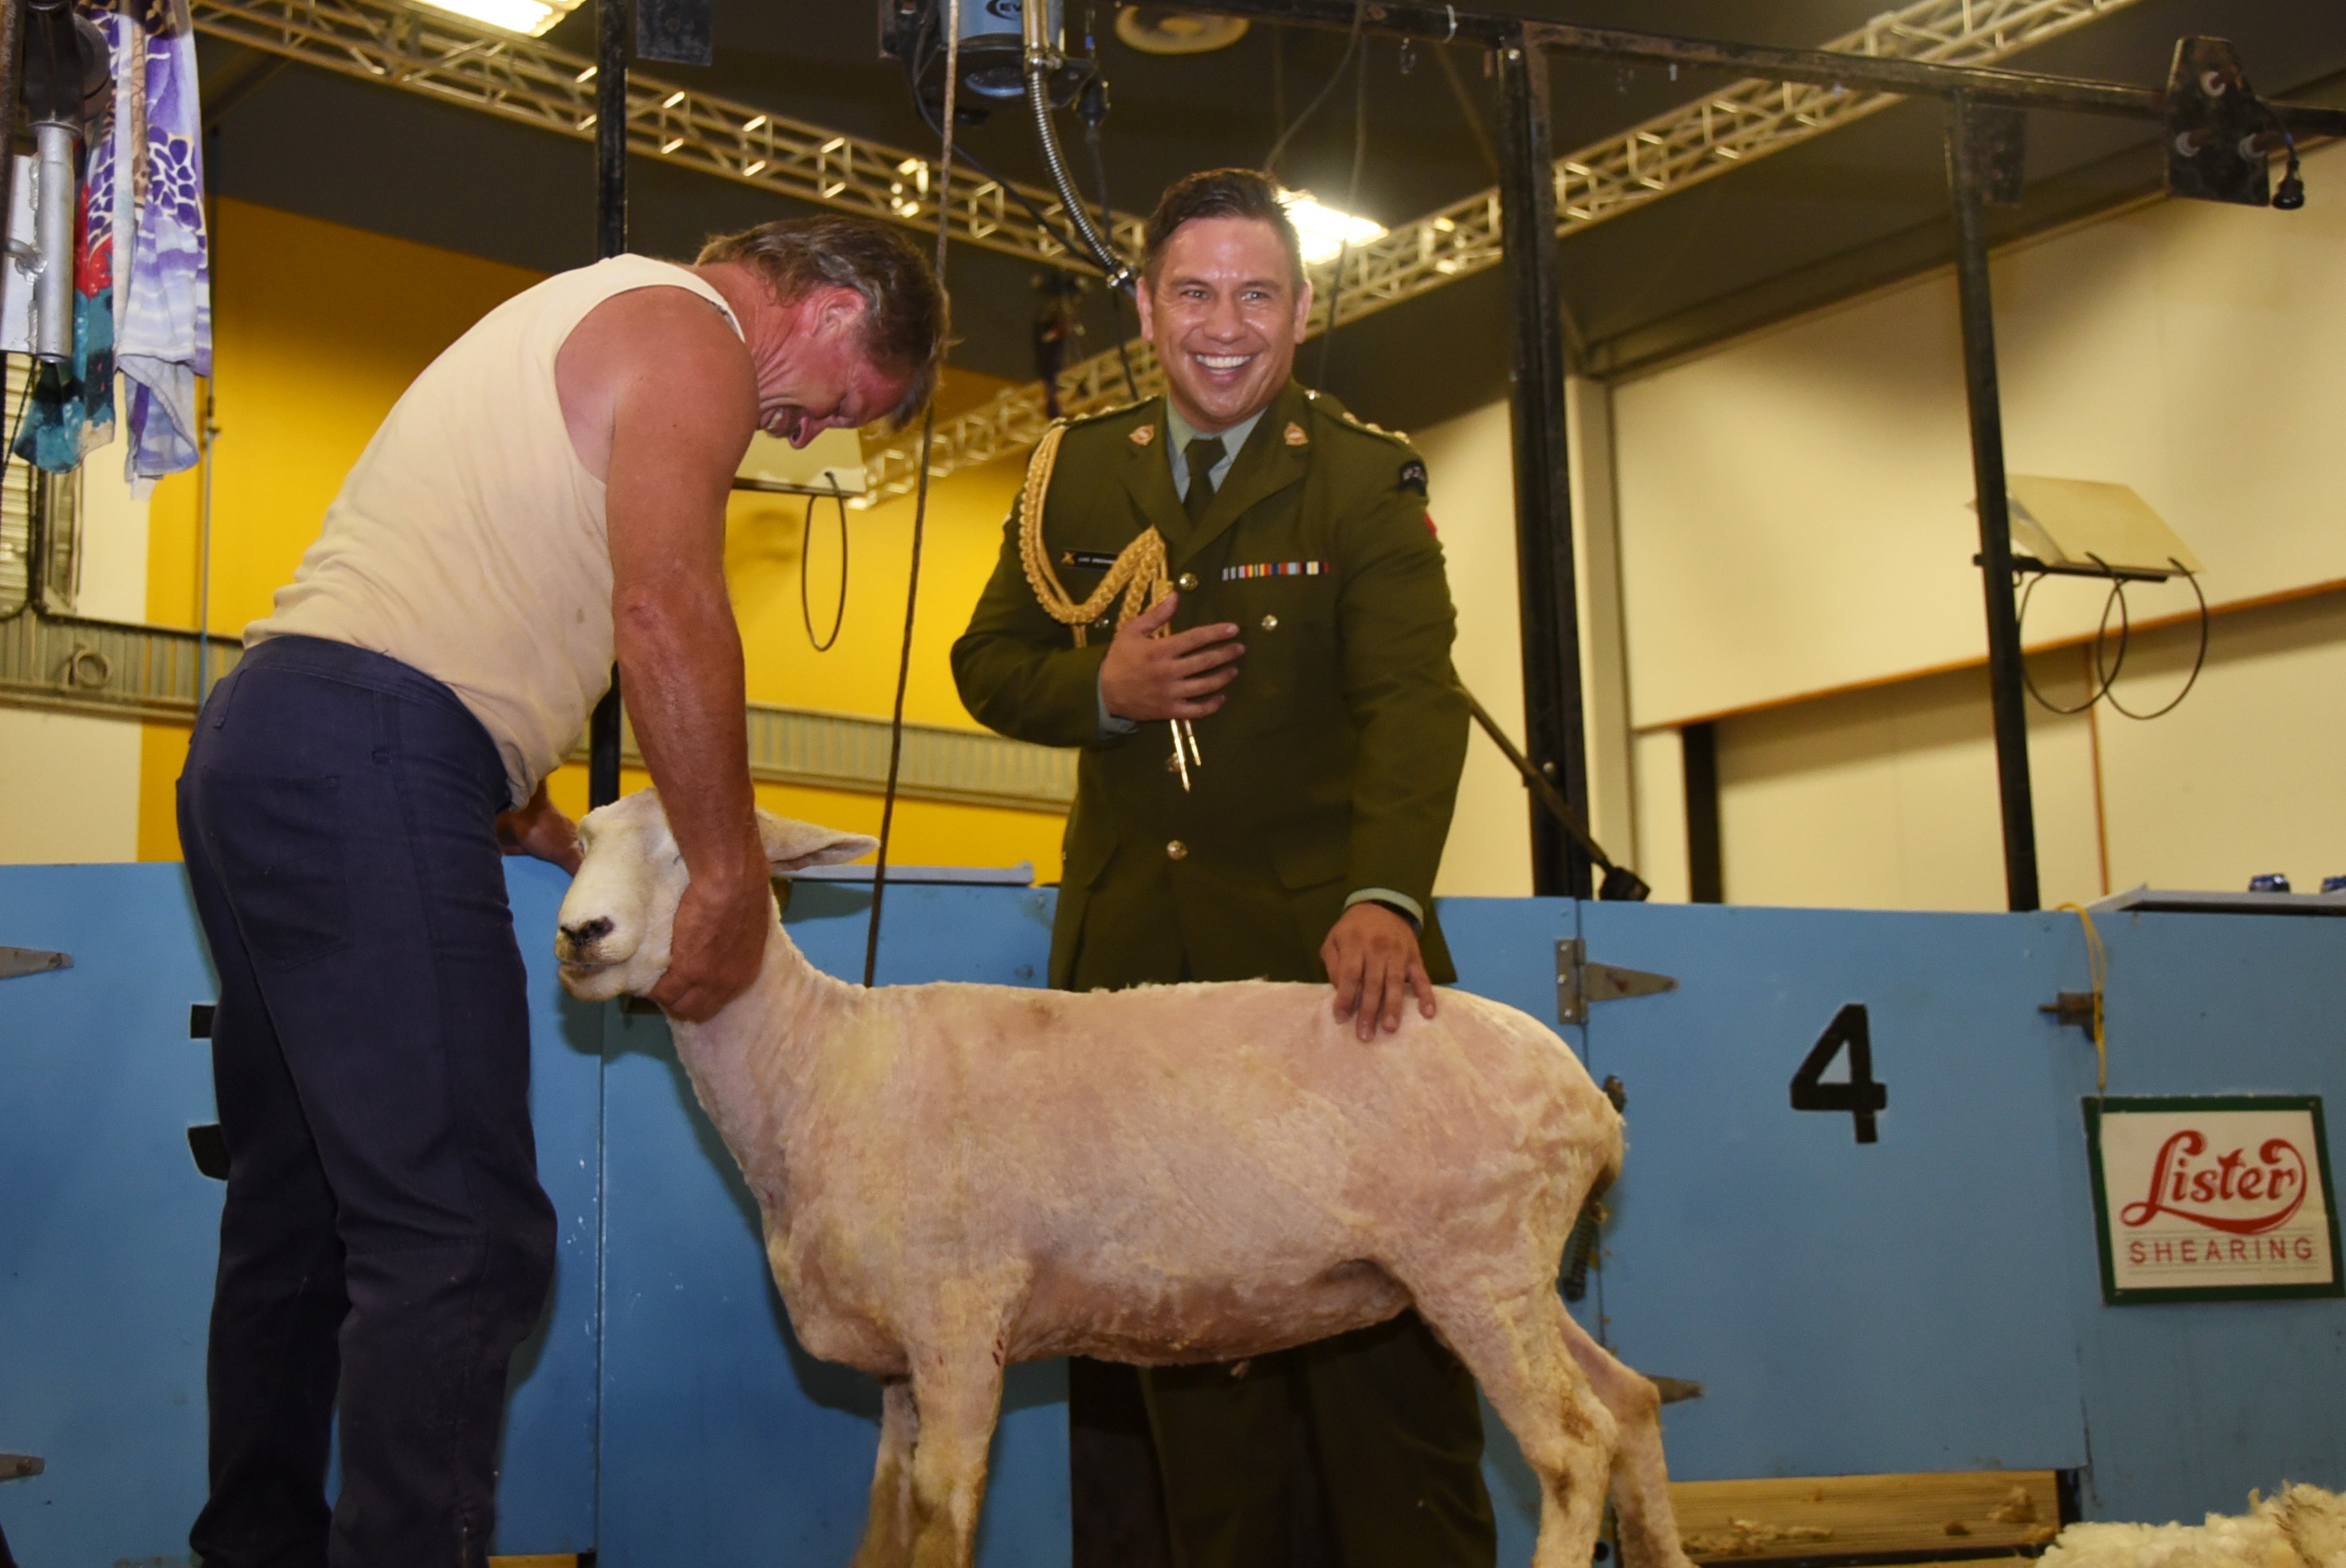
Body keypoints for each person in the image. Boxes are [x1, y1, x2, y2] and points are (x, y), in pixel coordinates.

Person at [178, 216, 945, 1568]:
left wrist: (527, 816)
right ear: (827, 309)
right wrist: (723, 873)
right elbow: (665, 609)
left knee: (298, 1217)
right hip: (366, 747)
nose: (812, 436)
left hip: (266, 737)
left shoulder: (588, 313)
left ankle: (256, 1549)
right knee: (460, 1237)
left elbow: (456, 605)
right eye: (844, 405)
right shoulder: (694, 338)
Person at [952, 170, 1487, 1568]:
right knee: (1178, 1379)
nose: (1226, 324)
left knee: (1388, 1361)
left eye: (1259, 293)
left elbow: (1413, 708)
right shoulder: (1070, 468)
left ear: (1303, 312)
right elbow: (986, 664)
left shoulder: (1368, 476)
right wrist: (1104, 688)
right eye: (1195, 292)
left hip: (1331, 988)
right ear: (1146, 306)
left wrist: (1386, 899)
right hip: (1133, 992)